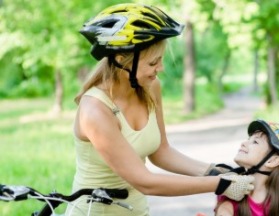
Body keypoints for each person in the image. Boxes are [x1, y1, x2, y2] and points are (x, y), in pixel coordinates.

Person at [65, 3, 255, 216]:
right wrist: (219, 184)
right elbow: (145, 182)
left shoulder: (150, 87)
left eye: (161, 60)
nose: (160, 68)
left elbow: (161, 152)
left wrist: (212, 170)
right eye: (153, 62)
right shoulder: (95, 110)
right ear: (122, 60)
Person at [214, 119, 279, 216]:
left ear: (272, 161)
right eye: (249, 139)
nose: (244, 143)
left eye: (255, 142)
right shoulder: (233, 187)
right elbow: (224, 210)